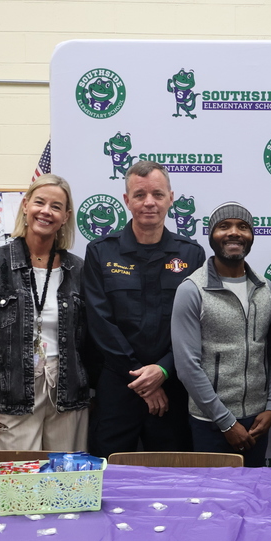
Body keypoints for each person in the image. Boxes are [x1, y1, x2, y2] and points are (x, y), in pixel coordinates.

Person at [82, 160, 205, 458]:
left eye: (158, 194)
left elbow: (198, 326)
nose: (149, 202)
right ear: (126, 200)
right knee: (110, 475)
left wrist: (163, 369)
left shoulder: (191, 254)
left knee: (172, 477)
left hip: (173, 385)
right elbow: (100, 323)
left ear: (171, 198)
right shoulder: (100, 252)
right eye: (140, 195)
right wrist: (144, 382)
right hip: (117, 386)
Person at [0, 174, 90, 451]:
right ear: (25, 205)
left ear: (66, 216)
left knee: (65, 481)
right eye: (40, 202)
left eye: (56, 207)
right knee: (21, 483)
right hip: (14, 390)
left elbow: (89, 340)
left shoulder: (78, 270)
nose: (46, 211)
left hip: (67, 392)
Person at [171, 202, 271, 466]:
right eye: (224, 226)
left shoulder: (266, 288)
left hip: (258, 421)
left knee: (254, 497)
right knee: (214, 499)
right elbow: (187, 367)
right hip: (210, 422)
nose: (234, 232)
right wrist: (226, 422)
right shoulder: (192, 290)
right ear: (211, 235)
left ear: (252, 236)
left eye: (243, 227)